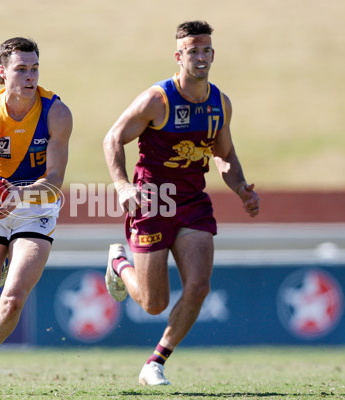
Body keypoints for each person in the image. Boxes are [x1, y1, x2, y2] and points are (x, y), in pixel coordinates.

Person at [103, 21, 260, 386]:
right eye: (193, 51)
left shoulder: (220, 103)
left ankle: (155, 363)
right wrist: (123, 186)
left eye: (206, 50)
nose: (201, 57)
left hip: (192, 203)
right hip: (153, 203)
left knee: (199, 286)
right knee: (154, 303)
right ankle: (119, 262)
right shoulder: (157, 100)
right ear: (179, 56)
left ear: (213, 54)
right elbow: (113, 138)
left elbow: (224, 154)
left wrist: (241, 189)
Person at [0, 37, 72, 394]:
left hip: (34, 205)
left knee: (13, 298)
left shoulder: (56, 112)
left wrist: (15, 195)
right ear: (2, 72)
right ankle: (5, 255)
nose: (30, 76)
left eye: (34, 68)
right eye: (21, 69)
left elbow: (54, 182)